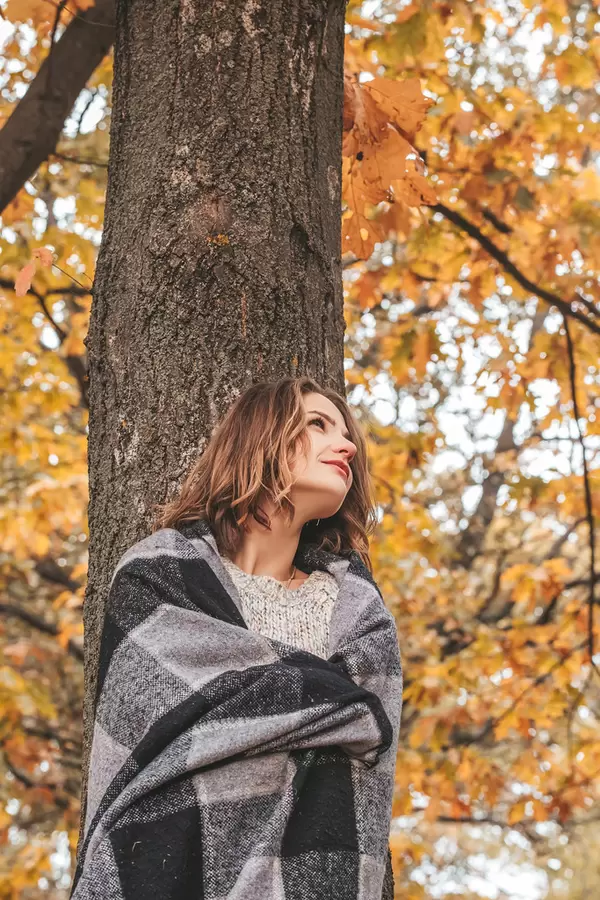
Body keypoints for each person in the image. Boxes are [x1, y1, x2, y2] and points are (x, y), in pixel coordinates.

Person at [72, 376, 403, 900]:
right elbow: (139, 766)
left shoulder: (361, 615)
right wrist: (320, 698)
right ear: (260, 436)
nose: (347, 446)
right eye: (318, 424)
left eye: (347, 435)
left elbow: (368, 739)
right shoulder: (158, 579)